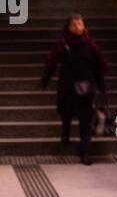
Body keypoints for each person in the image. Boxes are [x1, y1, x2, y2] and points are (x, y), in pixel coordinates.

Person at [39, 14, 108, 165]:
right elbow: (52, 62)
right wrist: (45, 80)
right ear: (69, 27)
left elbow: (99, 66)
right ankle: (65, 131)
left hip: (86, 89)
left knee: (85, 120)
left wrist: (101, 88)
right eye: (75, 25)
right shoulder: (64, 44)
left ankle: (85, 152)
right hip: (68, 88)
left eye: (80, 24)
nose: (78, 27)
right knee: (66, 113)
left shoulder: (90, 45)